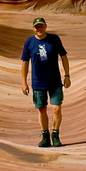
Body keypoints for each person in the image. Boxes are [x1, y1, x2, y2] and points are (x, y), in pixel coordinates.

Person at [21, 17, 71, 147]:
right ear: (33, 28)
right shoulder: (29, 42)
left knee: (56, 108)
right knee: (41, 109)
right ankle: (45, 136)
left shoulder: (54, 39)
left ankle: (55, 135)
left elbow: (64, 57)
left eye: (41, 26)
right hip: (38, 82)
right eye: (37, 27)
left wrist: (67, 75)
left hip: (54, 81)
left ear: (46, 26)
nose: (39, 29)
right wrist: (24, 82)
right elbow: (25, 63)